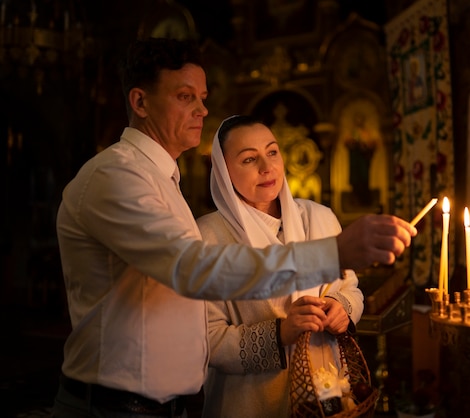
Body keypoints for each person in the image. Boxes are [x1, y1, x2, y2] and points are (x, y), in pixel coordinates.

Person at [52, 37, 416, 418]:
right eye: (185, 97)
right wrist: (333, 255)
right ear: (140, 102)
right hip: (116, 407)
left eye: (203, 97)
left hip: (160, 406)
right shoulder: (118, 176)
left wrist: (340, 304)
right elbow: (193, 270)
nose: (202, 109)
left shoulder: (162, 180)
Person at [197, 115, 364, 417]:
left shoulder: (320, 217)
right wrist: (280, 332)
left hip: (326, 393)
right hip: (250, 402)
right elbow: (207, 339)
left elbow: (350, 288)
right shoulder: (207, 237)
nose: (266, 167)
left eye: (272, 152)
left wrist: (341, 307)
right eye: (249, 159)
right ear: (223, 171)